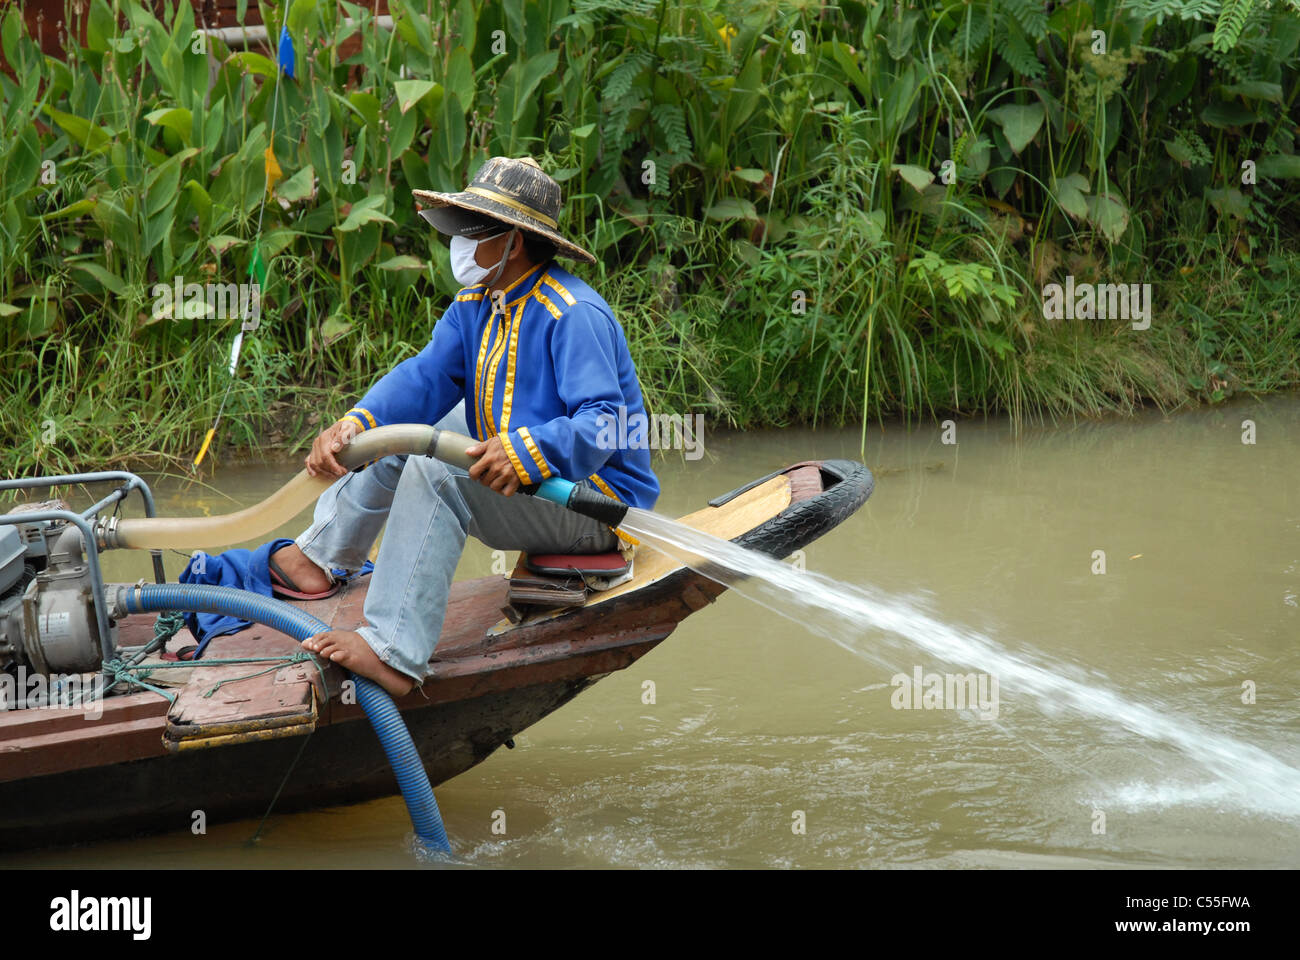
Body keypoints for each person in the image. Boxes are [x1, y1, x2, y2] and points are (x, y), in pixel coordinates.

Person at [273, 156, 659, 697]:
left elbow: (606, 425)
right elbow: (425, 378)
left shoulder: (573, 314)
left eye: (470, 231)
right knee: (405, 431)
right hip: (527, 481)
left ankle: (392, 649)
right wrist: (353, 423)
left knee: (438, 471)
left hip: (592, 503)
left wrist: (528, 451)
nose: (456, 242)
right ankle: (322, 557)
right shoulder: (476, 304)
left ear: (513, 242)